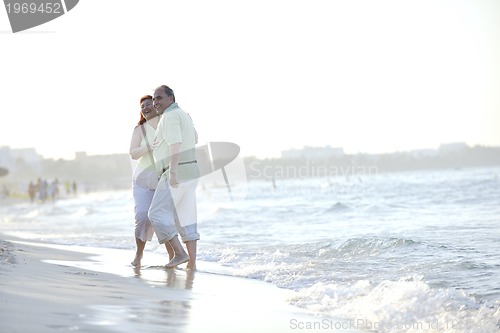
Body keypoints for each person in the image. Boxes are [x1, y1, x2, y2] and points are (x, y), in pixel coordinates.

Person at [148, 85, 200, 270]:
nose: (155, 102)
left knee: (156, 213)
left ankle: (179, 253)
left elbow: (175, 145)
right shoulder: (183, 114)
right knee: (186, 219)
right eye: (154, 99)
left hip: (178, 172)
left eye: (159, 98)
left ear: (171, 98)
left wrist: (172, 172)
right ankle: (191, 265)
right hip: (192, 171)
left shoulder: (169, 117)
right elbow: (195, 138)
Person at [129, 95, 164, 267]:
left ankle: (174, 255)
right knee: (142, 217)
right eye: (143, 106)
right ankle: (139, 254)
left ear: (156, 106)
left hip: (162, 179)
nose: (146, 107)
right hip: (142, 179)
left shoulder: (165, 125)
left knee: (162, 219)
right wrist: (149, 147)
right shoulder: (140, 130)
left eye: (149, 104)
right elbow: (133, 153)